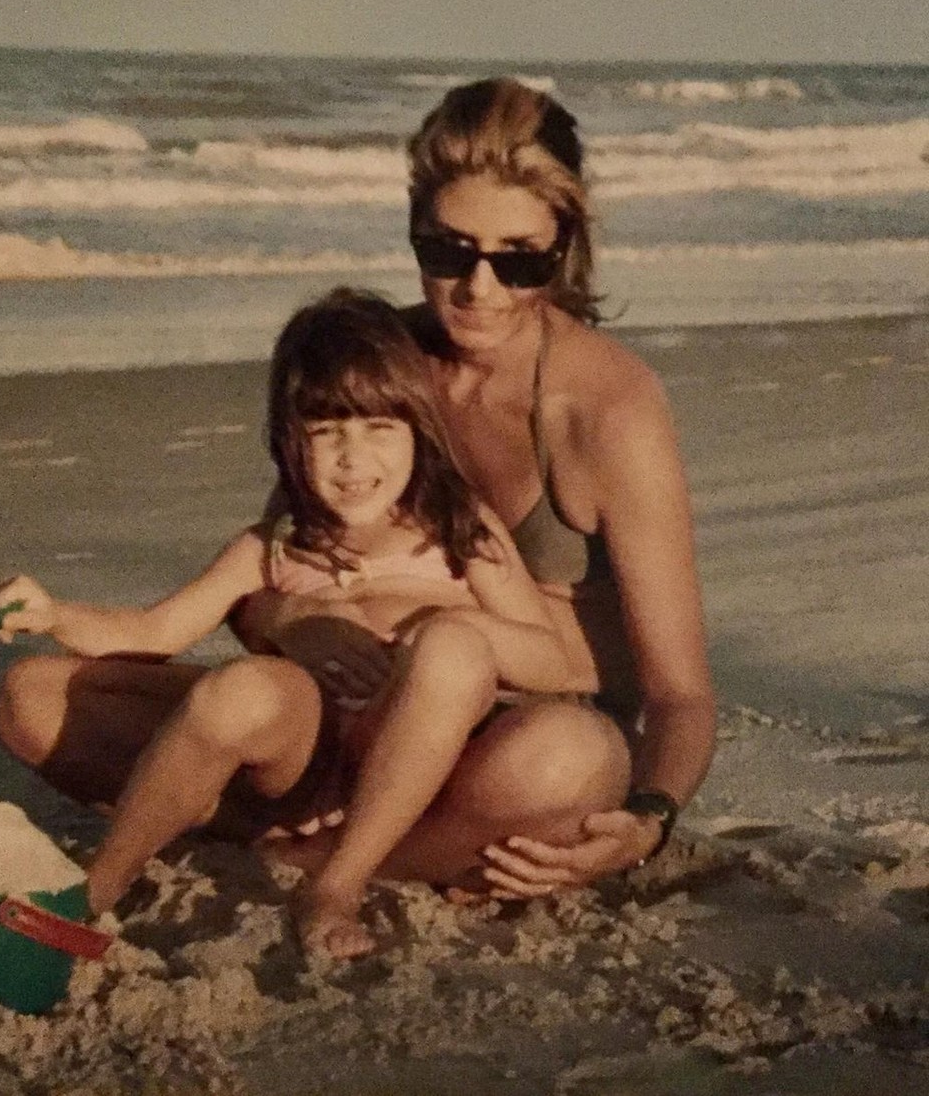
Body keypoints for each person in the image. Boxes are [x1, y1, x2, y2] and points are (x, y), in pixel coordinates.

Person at [0, 289, 587, 958]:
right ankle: (96, 892)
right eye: (326, 431)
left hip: (415, 755)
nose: (353, 460)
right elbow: (153, 631)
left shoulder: (459, 531)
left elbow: (555, 663)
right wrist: (53, 613)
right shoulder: (274, 546)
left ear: (419, 430)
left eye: (379, 428)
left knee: (454, 650)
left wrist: (441, 627)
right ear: (288, 438)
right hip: (300, 767)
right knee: (108, 691)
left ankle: (336, 883)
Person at [234, 77, 716, 896]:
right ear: (415, 232)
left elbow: (681, 694)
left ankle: (311, 857)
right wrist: (296, 620)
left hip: (513, 743)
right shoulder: (380, 367)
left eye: (518, 260)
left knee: (564, 766)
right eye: (448, 252)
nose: (477, 289)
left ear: (565, 247)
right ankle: (387, 841)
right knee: (36, 705)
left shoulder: (607, 408)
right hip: (355, 719)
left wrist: (645, 824)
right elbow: (263, 576)